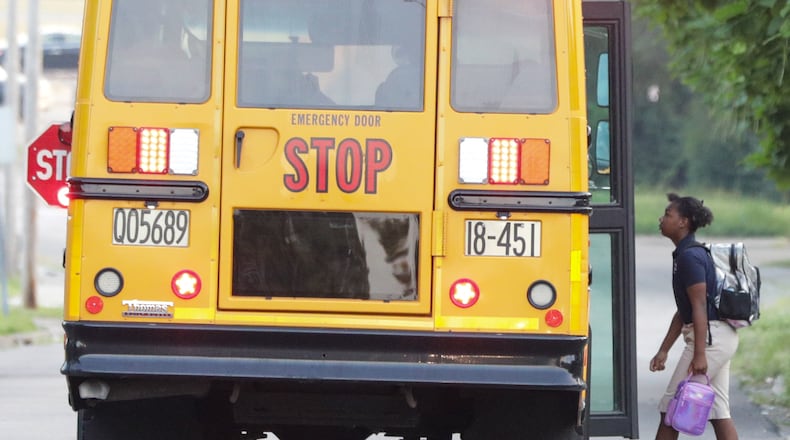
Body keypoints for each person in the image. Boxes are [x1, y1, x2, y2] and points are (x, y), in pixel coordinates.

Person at [650, 193, 739, 440]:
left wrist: (700, 354)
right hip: (714, 336)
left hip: (711, 339)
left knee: (671, 406)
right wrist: (664, 349)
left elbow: (699, 307)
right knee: (719, 411)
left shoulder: (690, 257)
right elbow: (685, 310)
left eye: (668, 215)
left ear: (683, 222)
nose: (662, 218)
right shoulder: (684, 254)